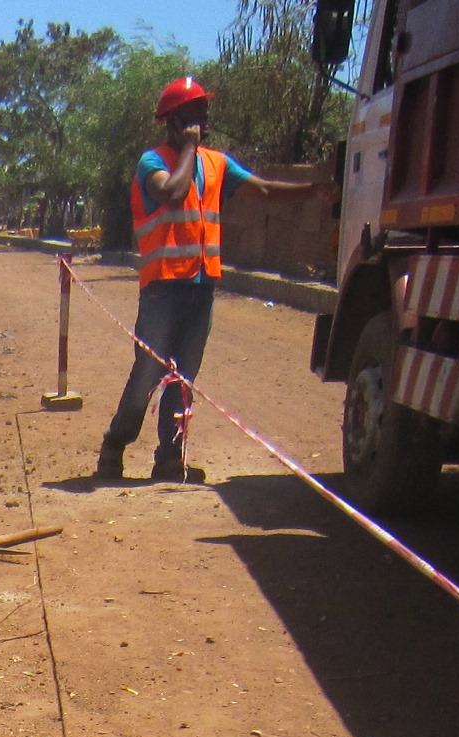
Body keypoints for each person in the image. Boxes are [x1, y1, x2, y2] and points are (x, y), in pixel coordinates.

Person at [96, 78, 316, 483]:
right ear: (175, 120)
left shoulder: (216, 163)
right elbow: (174, 194)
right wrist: (188, 149)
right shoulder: (153, 162)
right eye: (196, 112)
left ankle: (169, 458)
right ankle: (114, 444)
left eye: (204, 112)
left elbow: (263, 190)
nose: (204, 119)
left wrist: (316, 191)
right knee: (147, 374)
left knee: (183, 379)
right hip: (162, 288)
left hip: (201, 287)